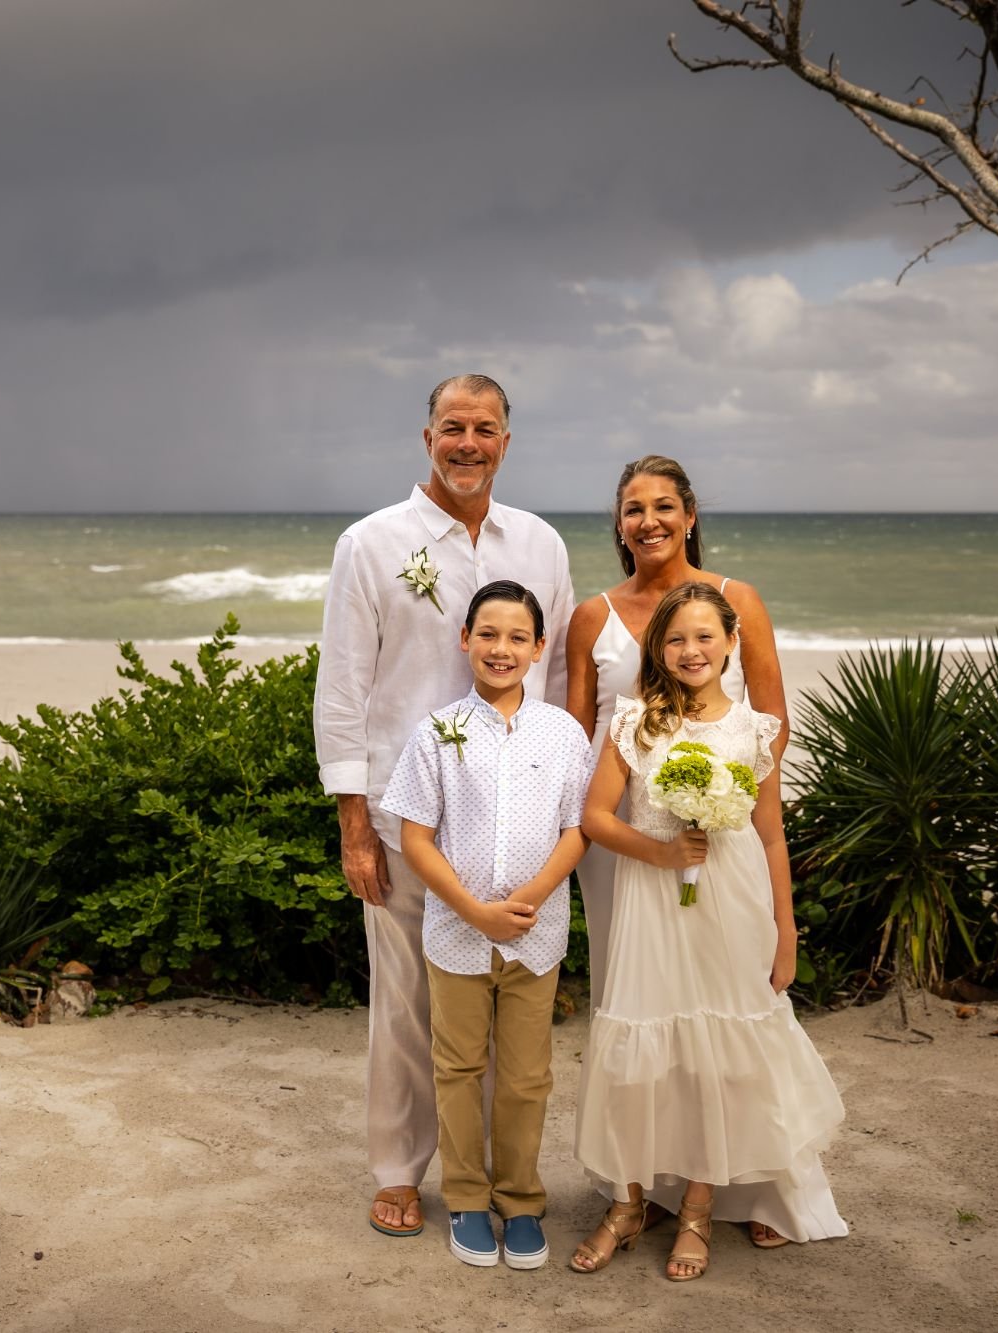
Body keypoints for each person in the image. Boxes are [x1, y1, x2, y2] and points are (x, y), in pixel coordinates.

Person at [313, 375, 575, 1240]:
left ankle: (492, 1177)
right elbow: (343, 688)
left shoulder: (539, 543)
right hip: (408, 825)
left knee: (502, 1015)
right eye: (453, 426)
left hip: (518, 826)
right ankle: (398, 1169)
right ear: (427, 437)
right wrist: (354, 823)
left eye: (485, 428)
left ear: (507, 442)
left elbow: (558, 681)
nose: (469, 442)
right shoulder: (370, 543)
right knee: (406, 1006)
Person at [570, 581, 847, 1280]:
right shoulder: (636, 721)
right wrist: (660, 851)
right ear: (658, 649)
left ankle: (697, 1208)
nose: (691, 650)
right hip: (652, 900)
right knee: (639, 1048)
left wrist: (786, 929)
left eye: (704, 636)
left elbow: (771, 835)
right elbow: (596, 817)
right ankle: (627, 1203)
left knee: (717, 1055)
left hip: (733, 902)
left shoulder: (755, 729)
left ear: (731, 642)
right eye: (676, 639)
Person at [378, 581, 590, 1269]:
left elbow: (577, 828)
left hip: (536, 934)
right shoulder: (436, 732)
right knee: (458, 1067)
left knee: (527, 1076)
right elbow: (415, 838)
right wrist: (473, 910)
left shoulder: (564, 734)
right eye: (489, 634)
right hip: (455, 934)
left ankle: (521, 1199)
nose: (502, 648)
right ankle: (467, 1196)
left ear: (539, 646)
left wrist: (530, 898)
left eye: (517, 636)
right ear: (465, 639)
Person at [565, 456, 789, 1001]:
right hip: (618, 822)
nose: (649, 521)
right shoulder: (592, 617)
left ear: (689, 516)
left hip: (716, 821)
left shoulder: (737, 602)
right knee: (627, 978)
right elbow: (574, 738)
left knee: (718, 975)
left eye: (663, 506)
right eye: (633, 510)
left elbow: (773, 727)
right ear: (620, 525)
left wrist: (717, 796)